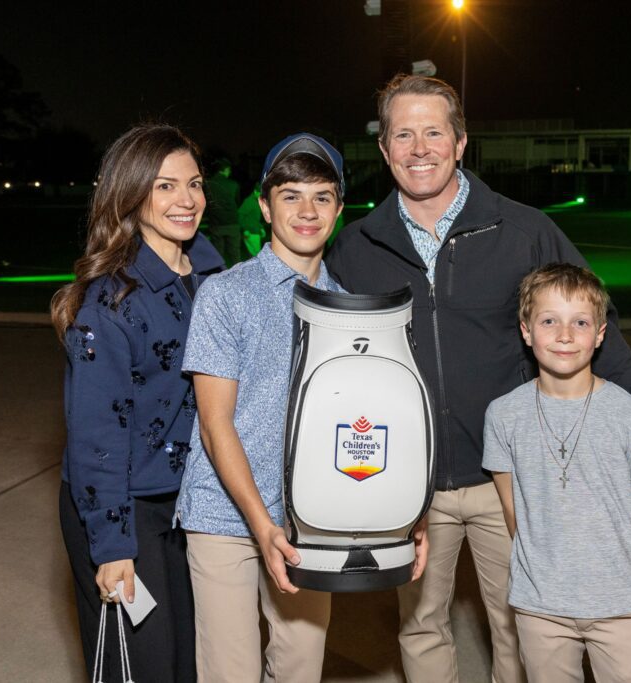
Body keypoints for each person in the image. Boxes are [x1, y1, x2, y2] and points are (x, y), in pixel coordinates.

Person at [325, 74, 631, 683]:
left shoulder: (524, 230)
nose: (419, 148)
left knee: (520, 624)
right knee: (420, 624)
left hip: (510, 477)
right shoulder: (356, 247)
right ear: (383, 149)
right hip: (410, 481)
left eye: (434, 132)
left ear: (461, 142)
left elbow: (592, 317)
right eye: (403, 135)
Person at [176, 133, 385, 682]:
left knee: (300, 666)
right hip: (225, 513)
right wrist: (261, 524)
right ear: (265, 208)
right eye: (291, 196)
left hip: (310, 519)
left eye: (322, 196)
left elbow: (356, 425)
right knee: (231, 671)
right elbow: (215, 423)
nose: (307, 211)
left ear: (339, 209)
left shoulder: (349, 309)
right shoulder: (226, 295)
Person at [53, 123, 224, 682]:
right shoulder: (110, 302)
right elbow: (95, 437)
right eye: (164, 186)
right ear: (130, 194)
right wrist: (111, 547)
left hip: (190, 502)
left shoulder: (211, 276)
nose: (186, 200)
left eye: (194, 184)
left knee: (189, 661)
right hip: (124, 506)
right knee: (144, 666)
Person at [484, 263, 631, 683]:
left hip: (620, 601)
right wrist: (541, 568)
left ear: (600, 334)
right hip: (539, 604)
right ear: (526, 331)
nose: (565, 335)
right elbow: (513, 508)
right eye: (549, 321)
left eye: (580, 322)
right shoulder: (503, 415)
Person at [205, 157, 243, 266]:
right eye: (229, 169)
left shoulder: (208, 184)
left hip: (216, 224)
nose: (230, 172)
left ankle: (219, 273)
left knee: (218, 254)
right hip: (232, 223)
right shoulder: (234, 185)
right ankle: (237, 274)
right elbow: (237, 203)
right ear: (225, 169)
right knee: (235, 255)